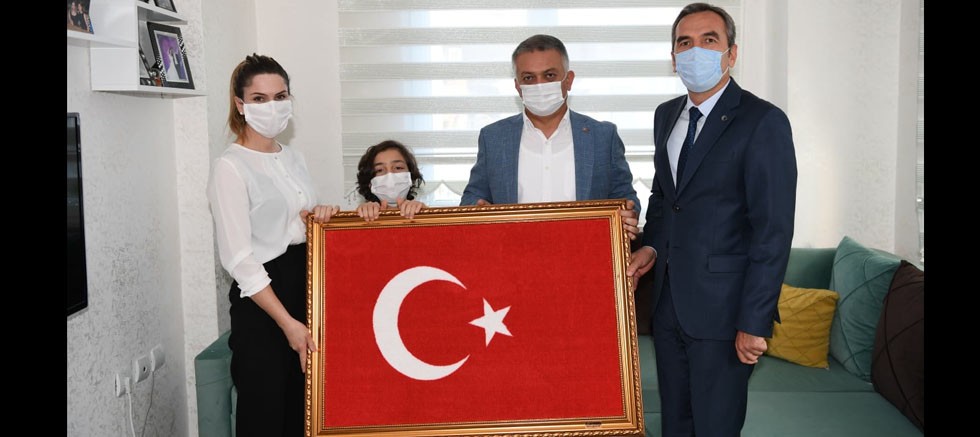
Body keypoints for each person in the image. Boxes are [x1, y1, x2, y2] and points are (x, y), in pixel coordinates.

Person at [625, 3, 798, 436]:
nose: (695, 51)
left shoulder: (763, 121)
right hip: (668, 307)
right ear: (673, 58)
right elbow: (666, 198)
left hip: (725, 312)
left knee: (716, 427)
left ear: (731, 53)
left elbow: (773, 231)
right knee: (676, 425)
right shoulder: (666, 115)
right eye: (684, 42)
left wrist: (754, 322)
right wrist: (651, 246)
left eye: (709, 40)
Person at [206, 53, 340, 437]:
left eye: (280, 97)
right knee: (266, 412)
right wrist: (288, 324)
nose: (272, 107)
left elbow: (292, 223)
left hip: (304, 285)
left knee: (306, 410)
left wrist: (317, 218)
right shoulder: (230, 166)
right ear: (240, 105)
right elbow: (239, 259)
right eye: (259, 99)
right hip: (263, 300)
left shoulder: (293, 157)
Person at [459, 34, 641, 237]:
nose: (539, 85)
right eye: (529, 78)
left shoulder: (603, 137)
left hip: (584, 251)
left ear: (568, 80)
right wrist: (476, 209)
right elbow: (472, 197)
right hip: (513, 251)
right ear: (518, 87)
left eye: (549, 75)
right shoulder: (493, 138)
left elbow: (625, 198)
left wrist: (628, 213)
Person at [354, 139, 426, 222]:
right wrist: (359, 217)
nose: (390, 175)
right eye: (380, 170)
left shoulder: (424, 213)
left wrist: (426, 214)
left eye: (398, 167)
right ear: (370, 184)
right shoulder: (360, 217)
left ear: (411, 177)